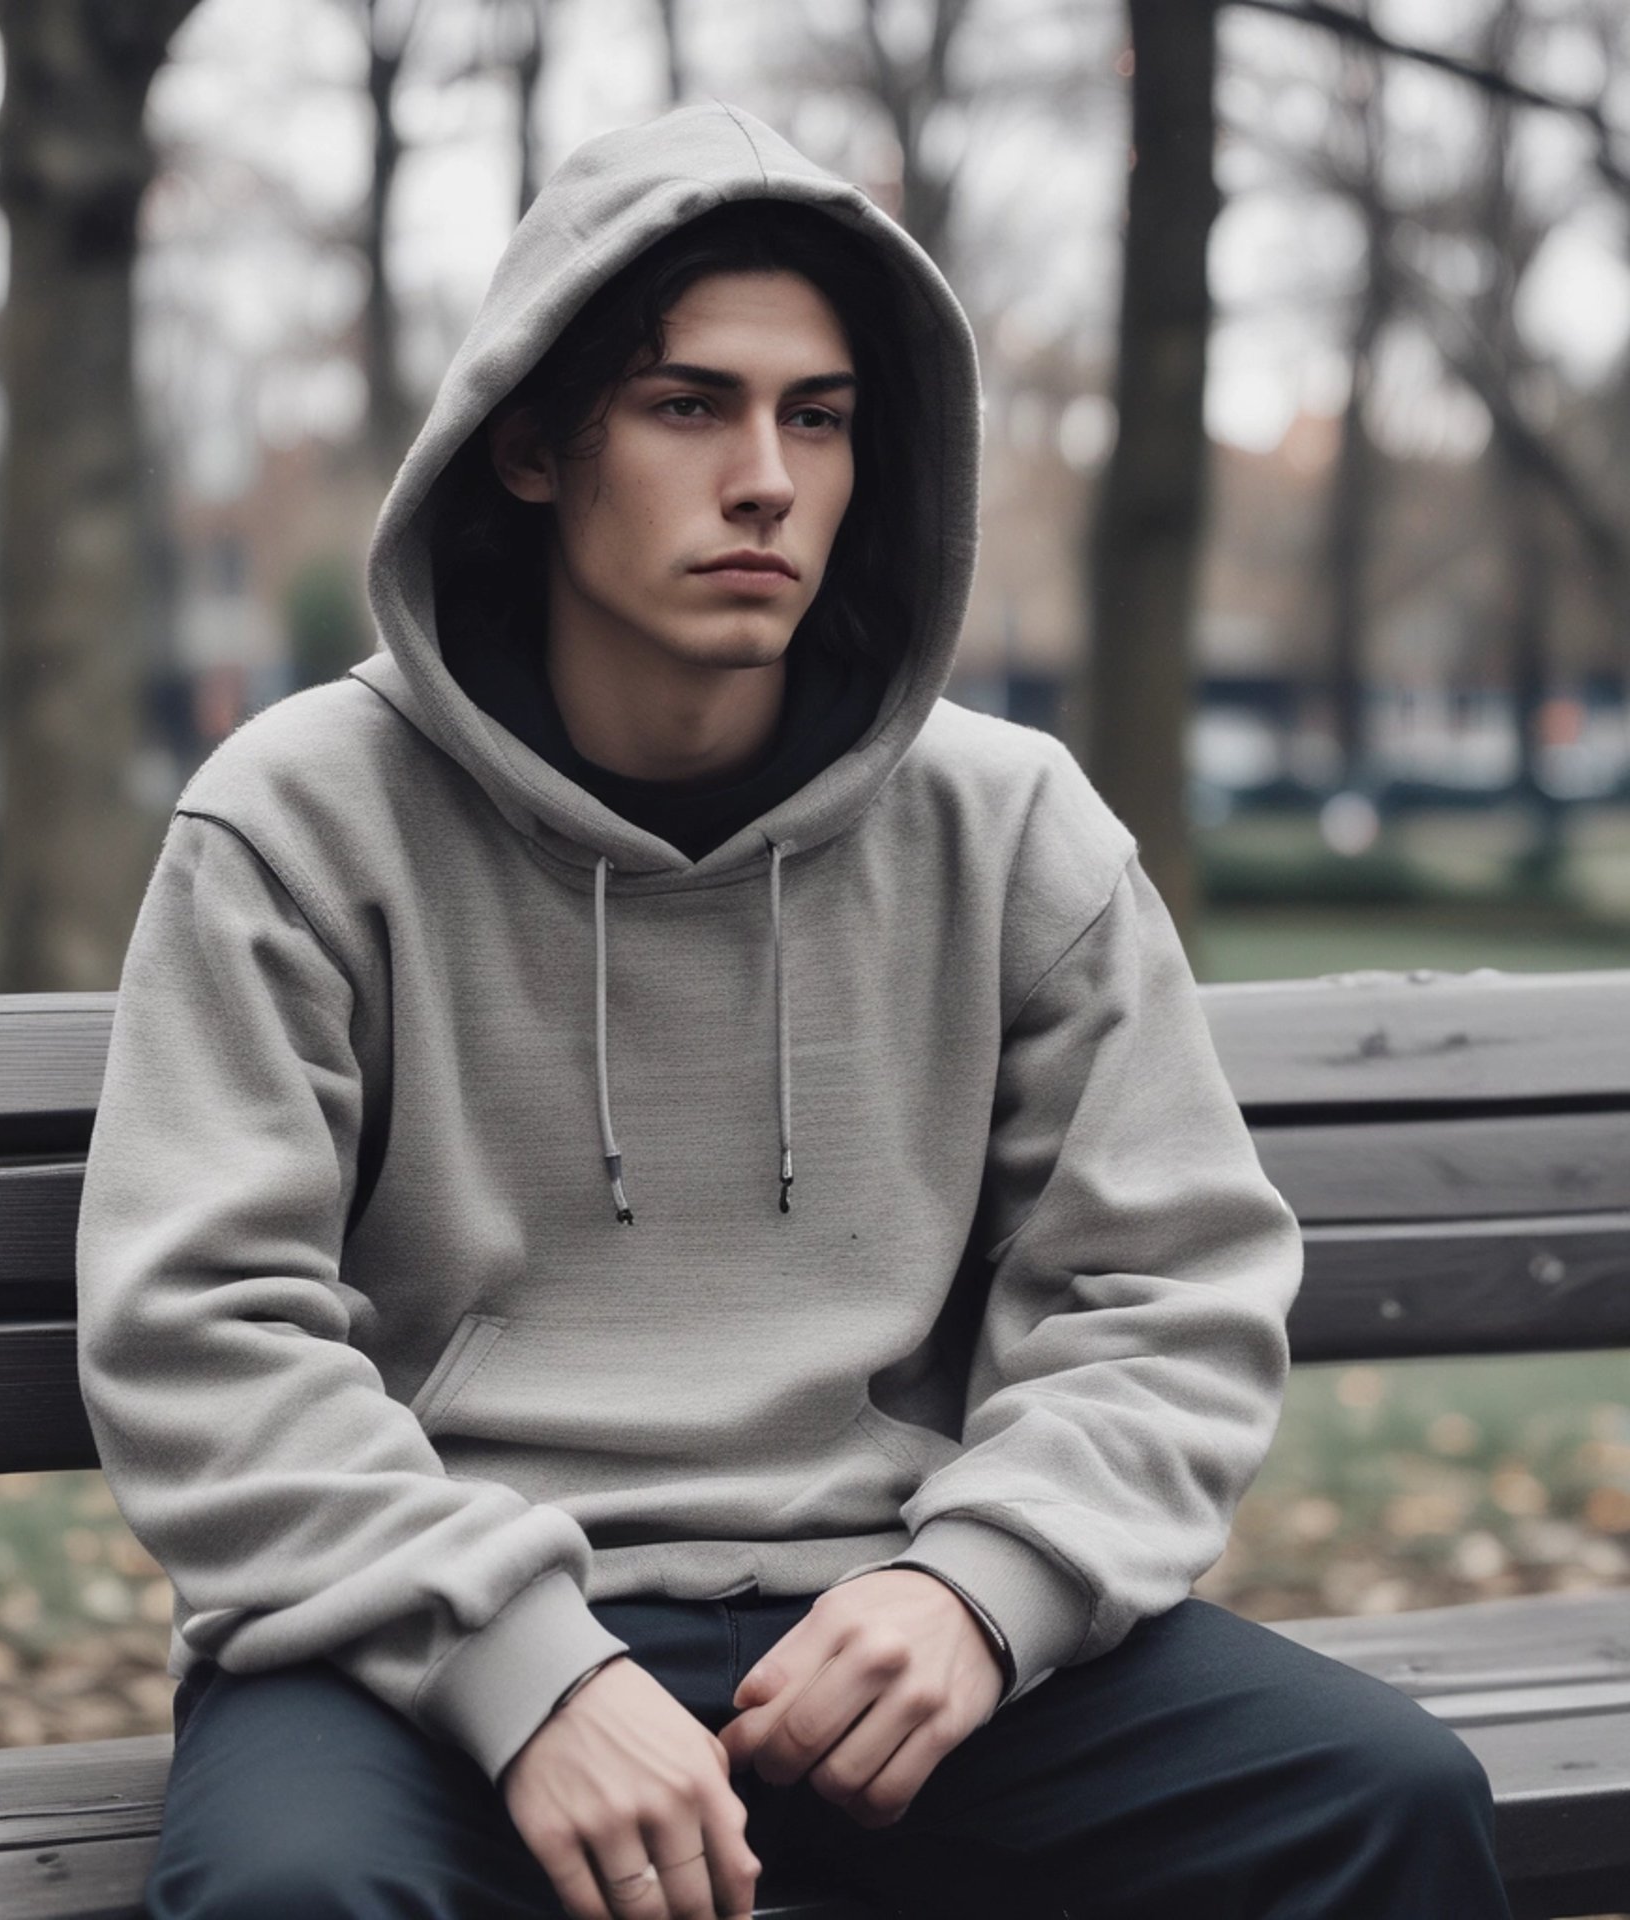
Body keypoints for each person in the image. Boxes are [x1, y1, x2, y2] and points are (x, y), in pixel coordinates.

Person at [75, 100, 1509, 1920]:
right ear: (529, 445)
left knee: (1384, 1801)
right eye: (692, 406)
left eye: (817, 417)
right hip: (422, 1640)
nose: (766, 476)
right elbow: (205, 1331)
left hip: (888, 1615)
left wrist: (981, 1591)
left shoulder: (1011, 829)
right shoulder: (296, 820)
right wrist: (534, 1676)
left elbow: (1168, 1291)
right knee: (301, 1897)